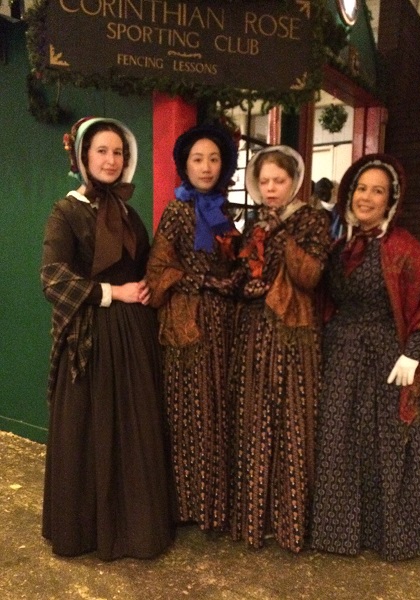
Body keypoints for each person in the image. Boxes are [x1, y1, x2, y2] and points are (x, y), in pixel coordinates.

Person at [41, 117, 175, 560]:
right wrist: (110, 293)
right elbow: (53, 279)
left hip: (133, 337)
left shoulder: (128, 212)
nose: (111, 160)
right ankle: (87, 531)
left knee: (133, 429)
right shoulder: (67, 211)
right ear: (82, 156)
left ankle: (135, 527)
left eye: (118, 152)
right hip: (91, 337)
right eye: (101, 150)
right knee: (90, 430)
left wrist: (156, 282)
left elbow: (144, 267)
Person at [311, 153, 420, 561]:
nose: (366, 197)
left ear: (390, 201)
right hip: (341, 357)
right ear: (348, 193)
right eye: (360, 189)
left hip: (389, 359)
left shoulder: (404, 247)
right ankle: (340, 532)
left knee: (389, 447)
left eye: (378, 191)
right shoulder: (339, 247)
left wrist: (413, 352)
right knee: (339, 443)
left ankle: (394, 533)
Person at [229, 146, 330, 553]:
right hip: (255, 334)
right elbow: (245, 271)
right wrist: (244, 282)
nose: (271, 189)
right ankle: (256, 520)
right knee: (255, 425)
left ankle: (289, 524)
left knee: (291, 425)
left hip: (294, 335)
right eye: (265, 181)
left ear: (295, 182)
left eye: (280, 181)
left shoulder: (311, 220)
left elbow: (310, 276)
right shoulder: (256, 223)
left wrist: (284, 234)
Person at [145, 123, 239, 532]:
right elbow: (157, 271)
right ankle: (186, 505)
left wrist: (239, 275)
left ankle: (214, 506)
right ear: (184, 164)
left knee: (217, 412)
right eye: (198, 159)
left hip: (222, 327)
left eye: (214, 159)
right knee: (189, 414)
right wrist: (202, 282)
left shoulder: (222, 210)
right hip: (187, 326)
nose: (206, 167)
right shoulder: (177, 210)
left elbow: (234, 262)